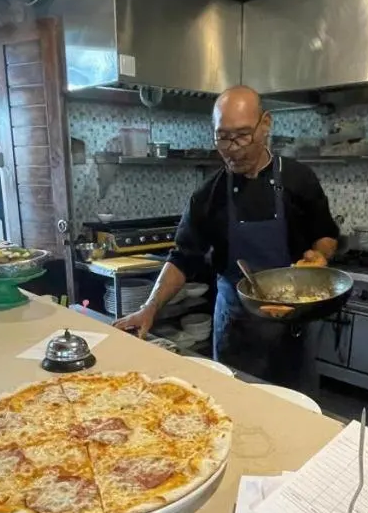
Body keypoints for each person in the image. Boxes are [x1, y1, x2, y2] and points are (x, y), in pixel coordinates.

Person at [115, 85, 340, 385]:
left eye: (243, 135)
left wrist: (320, 255)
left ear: (266, 125)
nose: (233, 148)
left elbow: (325, 234)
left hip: (294, 328)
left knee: (298, 414)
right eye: (223, 137)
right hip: (237, 328)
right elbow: (182, 258)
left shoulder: (300, 180)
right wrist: (149, 308)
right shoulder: (209, 195)